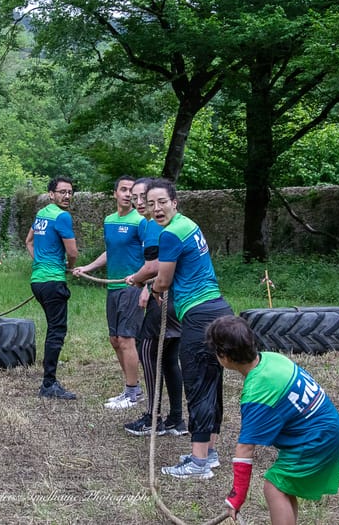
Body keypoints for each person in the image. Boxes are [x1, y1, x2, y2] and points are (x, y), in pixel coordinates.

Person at [205, 315, 339, 525]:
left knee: (275, 486)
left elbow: (245, 449)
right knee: (284, 487)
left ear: (224, 356)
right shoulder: (271, 358)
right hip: (330, 428)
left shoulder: (257, 392)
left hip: (316, 440)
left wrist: (237, 496)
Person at [146, 178, 234, 479]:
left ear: (175, 202)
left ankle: (198, 464)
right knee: (212, 381)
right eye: (151, 203)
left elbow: (164, 280)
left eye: (162, 202)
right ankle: (209, 453)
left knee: (197, 383)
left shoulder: (170, 234)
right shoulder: (188, 224)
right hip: (219, 309)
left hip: (198, 316)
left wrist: (152, 288)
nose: (156, 208)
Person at [73, 175, 146, 409]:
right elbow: (110, 251)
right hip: (113, 288)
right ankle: (130, 388)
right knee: (115, 340)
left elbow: (152, 255)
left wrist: (144, 281)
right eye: (123, 190)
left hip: (132, 287)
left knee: (126, 339)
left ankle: (132, 393)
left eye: (131, 191)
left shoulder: (141, 221)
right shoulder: (109, 220)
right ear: (115, 193)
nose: (127, 194)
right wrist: (88, 267)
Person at [123, 177, 187, 436]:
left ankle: (153, 417)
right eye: (137, 198)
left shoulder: (153, 226)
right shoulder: (177, 224)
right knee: (170, 357)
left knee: (149, 351)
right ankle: (176, 419)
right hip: (179, 297)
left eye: (145, 199)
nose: (140, 204)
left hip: (165, 299)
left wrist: (139, 281)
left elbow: (154, 266)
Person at [26, 176, 79, 400]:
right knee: (56, 331)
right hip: (53, 281)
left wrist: (39, 261)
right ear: (51, 194)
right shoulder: (62, 217)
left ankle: (49, 380)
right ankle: (48, 383)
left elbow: (28, 241)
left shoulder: (41, 215)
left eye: (70, 192)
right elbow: (73, 252)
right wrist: (69, 266)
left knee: (53, 329)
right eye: (62, 192)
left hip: (37, 281)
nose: (67, 196)